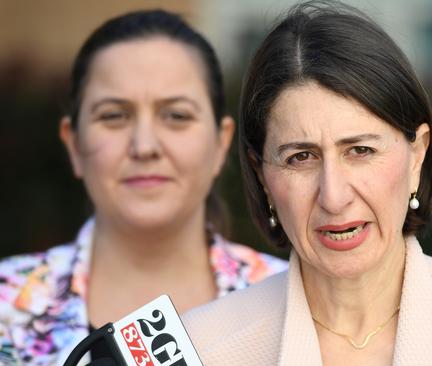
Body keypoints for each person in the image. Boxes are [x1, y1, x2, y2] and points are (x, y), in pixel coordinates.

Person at [183, 2, 432, 365]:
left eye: (360, 150)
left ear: (417, 156)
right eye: (300, 157)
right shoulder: (199, 349)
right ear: (261, 176)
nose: (334, 196)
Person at [0, 9, 287, 365]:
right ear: (74, 144)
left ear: (220, 142)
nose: (144, 145)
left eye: (176, 115)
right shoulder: (6, 309)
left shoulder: (292, 302)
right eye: (114, 116)